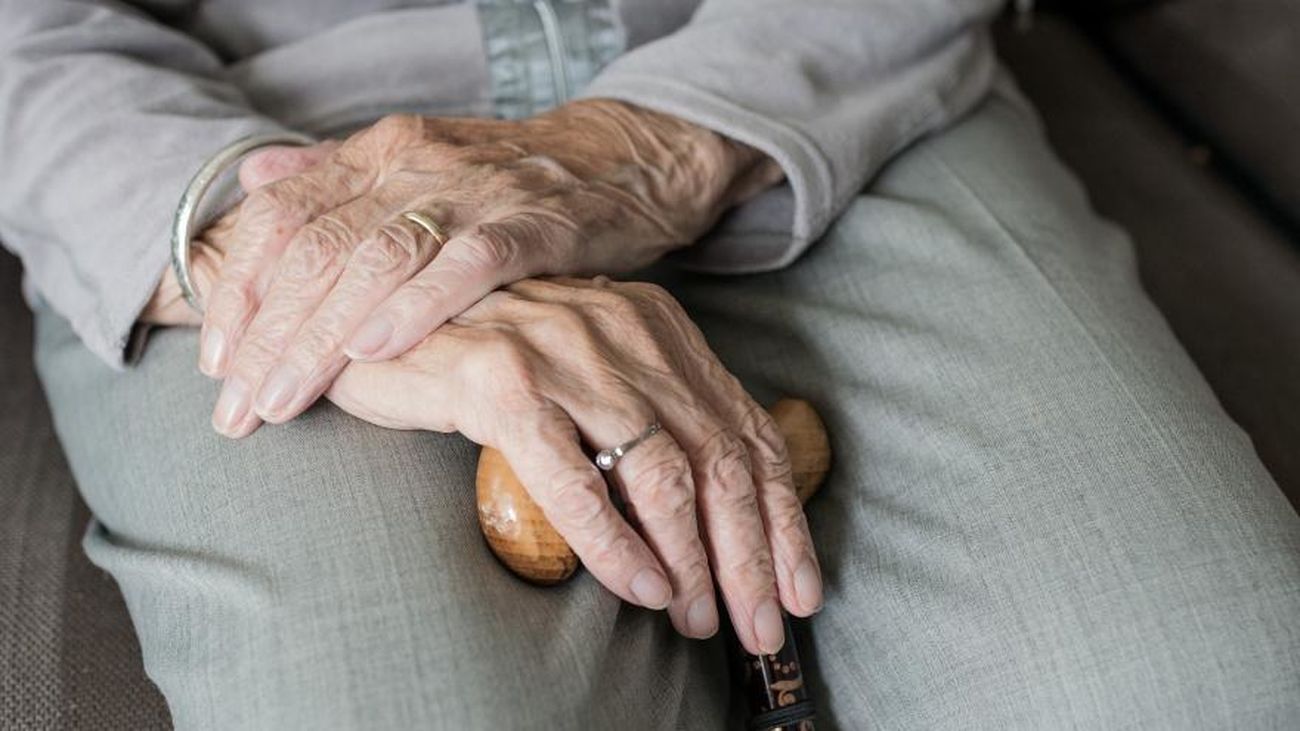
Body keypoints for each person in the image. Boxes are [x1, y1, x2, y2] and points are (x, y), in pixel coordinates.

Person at [3, 1, 1298, 728]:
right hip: (233, 143)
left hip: (816, 71)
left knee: (1204, 687)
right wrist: (280, 248)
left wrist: (650, 143)